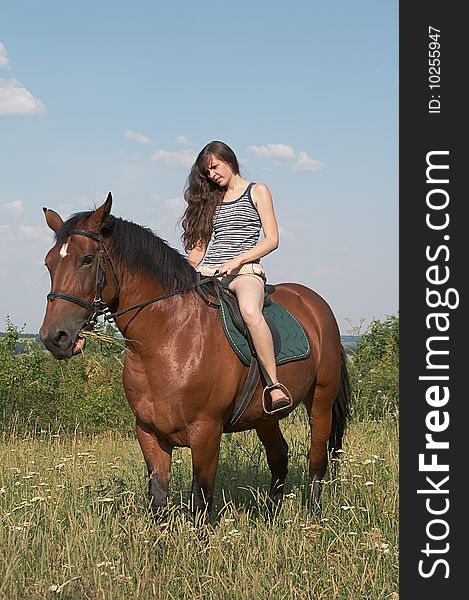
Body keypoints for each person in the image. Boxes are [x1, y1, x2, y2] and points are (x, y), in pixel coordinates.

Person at [181, 140, 292, 412]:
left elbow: (273, 239)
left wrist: (239, 260)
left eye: (215, 168)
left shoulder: (257, 191)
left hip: (244, 271)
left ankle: (273, 385)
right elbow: (198, 250)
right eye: (207, 173)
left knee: (250, 312)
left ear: (228, 160)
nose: (212, 175)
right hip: (211, 271)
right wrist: (182, 271)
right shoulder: (211, 200)